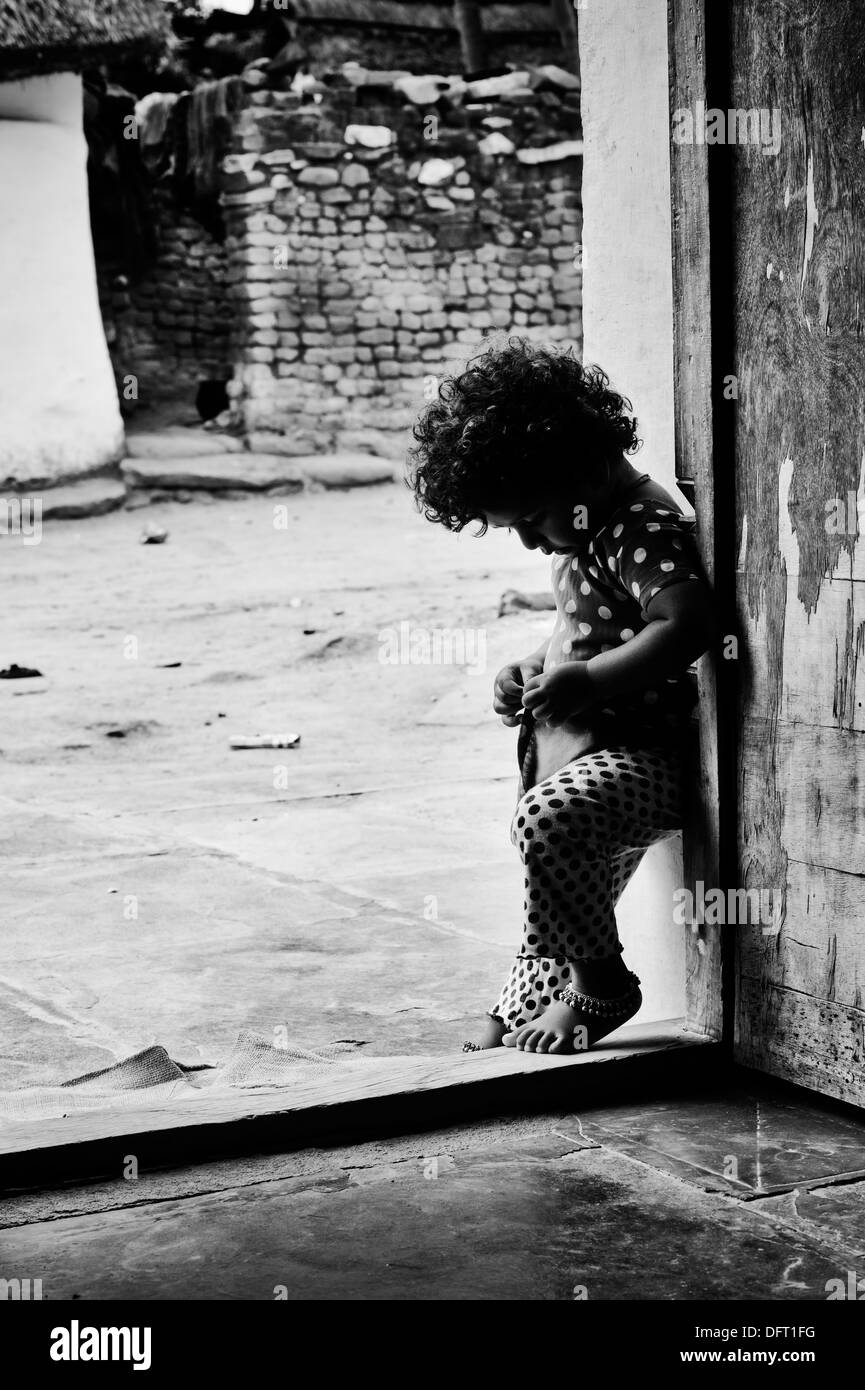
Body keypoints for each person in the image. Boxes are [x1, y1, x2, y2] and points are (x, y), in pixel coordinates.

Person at [408, 337, 716, 1054]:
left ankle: (603, 986)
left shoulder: (640, 529)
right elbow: (590, 629)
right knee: (557, 894)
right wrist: (530, 669)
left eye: (529, 519)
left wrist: (587, 681)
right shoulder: (595, 535)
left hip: (647, 756)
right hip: (587, 750)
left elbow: (686, 622)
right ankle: (515, 1010)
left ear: (582, 465)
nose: (527, 544)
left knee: (549, 823)